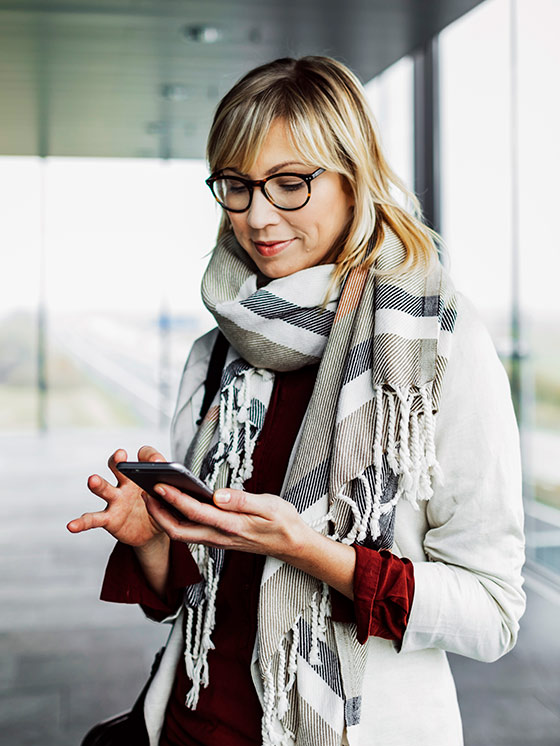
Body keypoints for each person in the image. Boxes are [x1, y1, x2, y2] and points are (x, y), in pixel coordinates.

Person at [67, 56, 526, 746]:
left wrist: (311, 553)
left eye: (289, 184)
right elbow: (188, 607)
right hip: (191, 727)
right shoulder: (217, 350)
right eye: (237, 186)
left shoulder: (435, 349)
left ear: (354, 179)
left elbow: (492, 614)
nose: (256, 216)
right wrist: (157, 543)